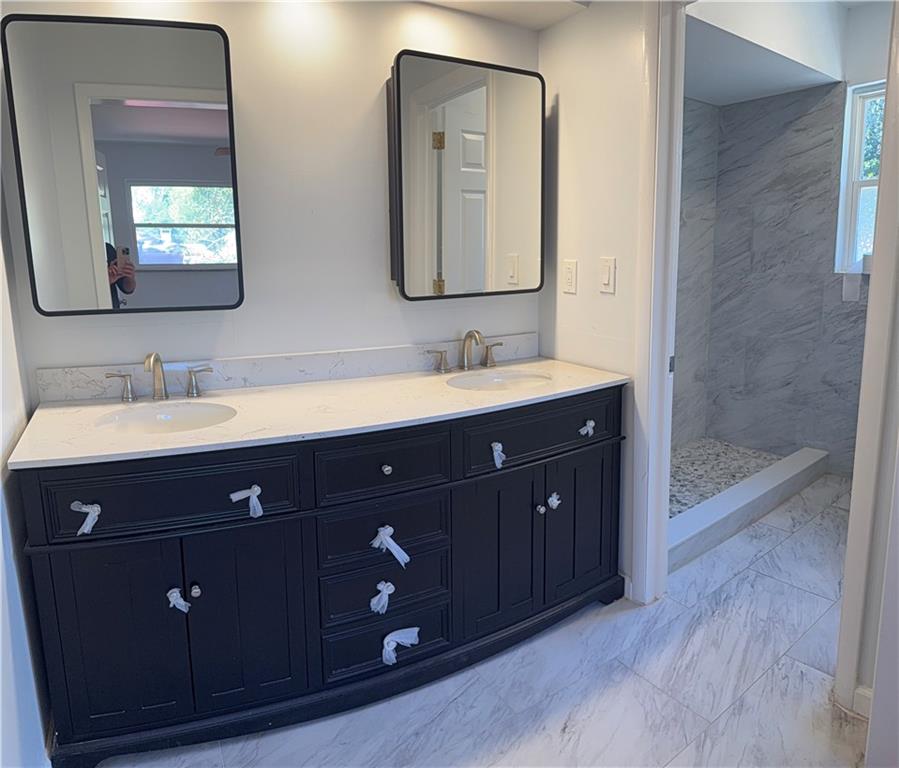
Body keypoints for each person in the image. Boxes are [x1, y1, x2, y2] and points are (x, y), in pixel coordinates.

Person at [106, 243, 136, 309]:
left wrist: (130, 277)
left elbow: (128, 289)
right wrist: (105, 281)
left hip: (113, 309)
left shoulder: (108, 249)